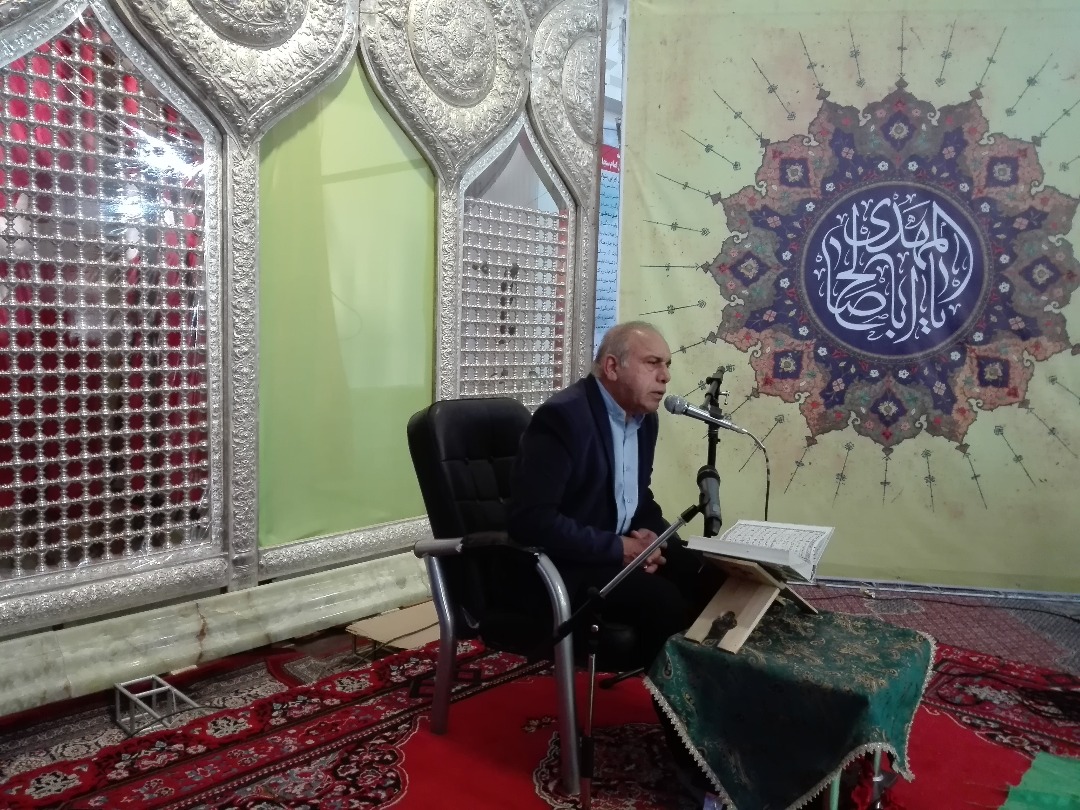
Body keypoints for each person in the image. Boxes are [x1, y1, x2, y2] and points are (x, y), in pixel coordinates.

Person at [508, 321, 723, 667]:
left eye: (667, 365)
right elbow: (531, 520)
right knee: (663, 601)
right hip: (569, 564)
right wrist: (618, 548)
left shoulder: (644, 420)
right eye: (653, 363)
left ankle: (709, 687)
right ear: (612, 367)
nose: (666, 376)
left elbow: (637, 498)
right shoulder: (563, 418)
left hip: (617, 551)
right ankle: (662, 696)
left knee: (710, 575)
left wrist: (654, 541)